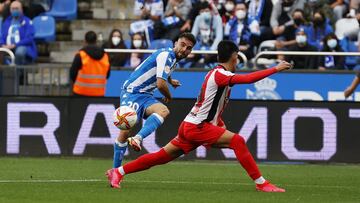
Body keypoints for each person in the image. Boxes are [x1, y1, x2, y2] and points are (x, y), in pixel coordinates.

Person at [106, 40, 293, 192]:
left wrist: (218, 123)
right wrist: (275, 69)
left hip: (191, 125)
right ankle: (262, 183)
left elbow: (208, 105)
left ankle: (118, 171)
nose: (238, 62)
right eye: (237, 59)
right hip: (197, 127)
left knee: (160, 157)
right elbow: (247, 79)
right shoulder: (220, 75)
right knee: (238, 141)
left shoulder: (216, 73)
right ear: (235, 57)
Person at [111, 32, 196, 169]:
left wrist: (170, 80)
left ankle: (138, 138)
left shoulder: (173, 58)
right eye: (182, 44)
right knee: (125, 131)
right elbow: (160, 84)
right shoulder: (166, 55)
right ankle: (115, 171)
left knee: (163, 111)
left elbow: (164, 72)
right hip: (132, 92)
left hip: (145, 95)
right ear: (175, 44)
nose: (184, 49)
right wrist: (169, 95)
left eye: (189, 48)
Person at [70, 31, 110, 97]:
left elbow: (72, 73)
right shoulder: (105, 55)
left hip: (80, 93)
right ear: (96, 40)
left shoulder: (80, 55)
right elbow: (108, 74)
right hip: (98, 94)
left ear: (85, 41)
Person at [0, 0, 37, 65]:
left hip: (22, 46)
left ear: (21, 10)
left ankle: (17, 73)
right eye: (13, 9)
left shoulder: (27, 22)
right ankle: (3, 73)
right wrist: (3, 44)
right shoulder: (6, 22)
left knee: (20, 52)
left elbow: (29, 38)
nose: (14, 10)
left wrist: (15, 45)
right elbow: (2, 36)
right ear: (10, 10)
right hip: (7, 46)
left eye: (17, 8)